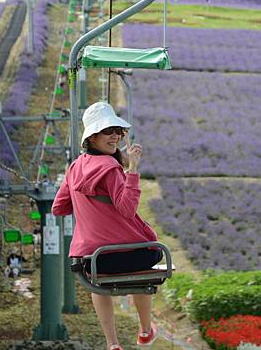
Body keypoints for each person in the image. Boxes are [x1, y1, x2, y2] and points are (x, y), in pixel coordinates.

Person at [52, 102, 161, 350]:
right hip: (129, 255)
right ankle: (145, 330)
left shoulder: (75, 168)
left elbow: (59, 208)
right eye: (108, 131)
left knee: (98, 282)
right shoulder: (111, 169)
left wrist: (90, 209)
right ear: (92, 137)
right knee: (150, 256)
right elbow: (126, 209)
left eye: (118, 131)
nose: (115, 136)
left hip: (93, 259)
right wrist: (132, 169)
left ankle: (112, 343)